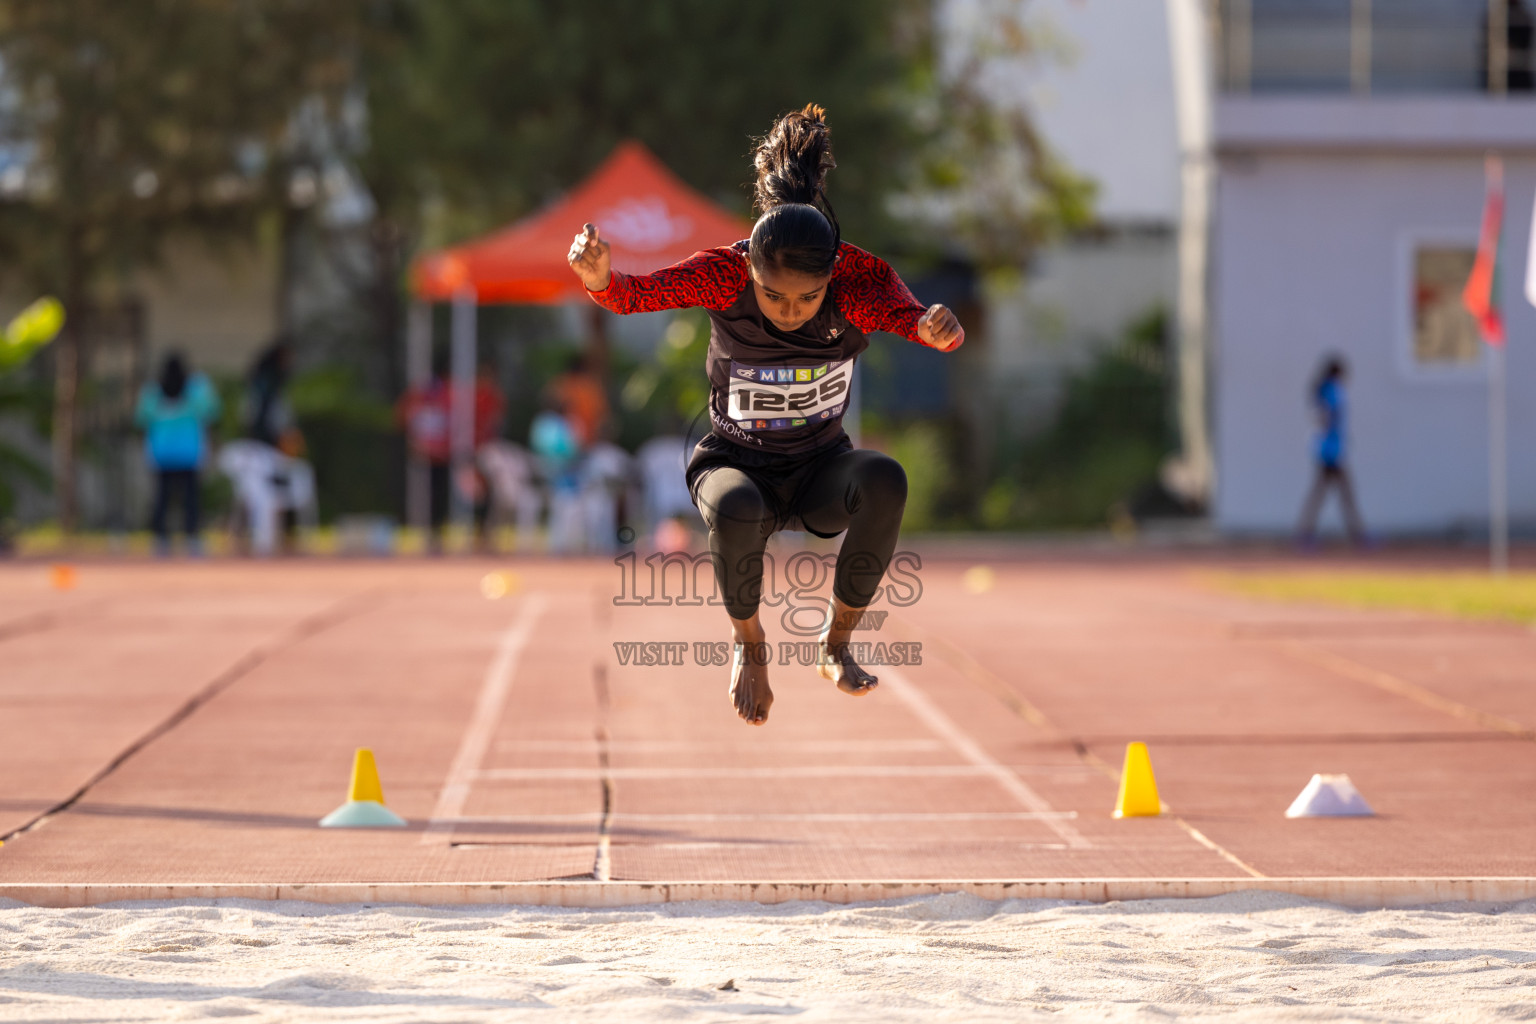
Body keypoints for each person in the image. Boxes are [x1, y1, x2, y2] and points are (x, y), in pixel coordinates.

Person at [567, 104, 964, 726]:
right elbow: (635, 294)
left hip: (819, 470)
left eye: (808, 298)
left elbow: (914, 320)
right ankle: (750, 646)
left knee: (886, 478)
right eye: (773, 294)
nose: (790, 310)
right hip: (734, 464)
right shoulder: (722, 273)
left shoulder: (858, 279)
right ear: (749, 268)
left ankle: (835, 643)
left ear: (831, 278)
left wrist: (936, 330)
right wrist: (599, 278)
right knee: (734, 507)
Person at [135, 352, 221, 555]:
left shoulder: (152, 392)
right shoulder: (196, 390)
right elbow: (213, 412)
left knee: (162, 498)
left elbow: (140, 419)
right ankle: (192, 538)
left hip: (161, 452)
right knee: (190, 498)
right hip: (189, 452)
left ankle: (161, 540)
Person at [1296, 355, 1366, 547]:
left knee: (1326, 493)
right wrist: (1333, 434)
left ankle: (1306, 533)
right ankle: (1357, 534)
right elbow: (1325, 417)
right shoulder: (1332, 390)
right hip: (1331, 450)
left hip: (1330, 448)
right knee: (1342, 493)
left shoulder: (1325, 389)